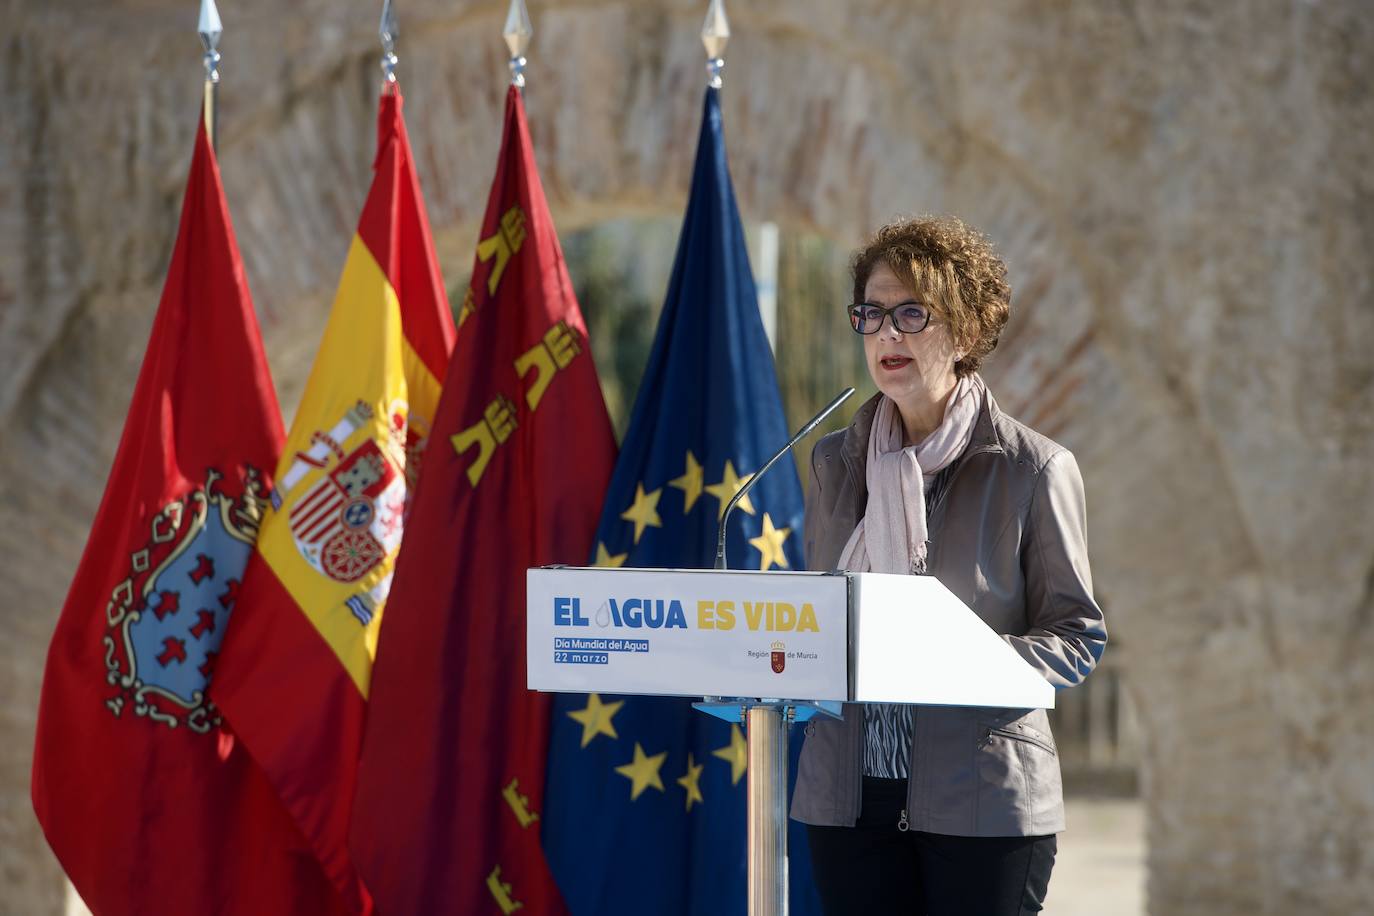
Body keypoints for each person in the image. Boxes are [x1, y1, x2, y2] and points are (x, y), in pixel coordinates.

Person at [791, 216, 1108, 915]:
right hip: (846, 797)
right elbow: (819, 613)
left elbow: (1076, 634)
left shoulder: (1032, 469)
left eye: (912, 313)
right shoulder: (832, 463)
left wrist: (963, 659)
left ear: (964, 334)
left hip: (983, 801)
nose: (887, 333)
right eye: (872, 314)